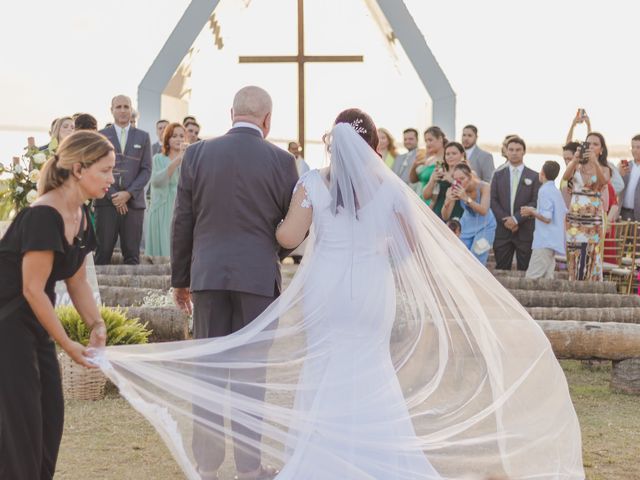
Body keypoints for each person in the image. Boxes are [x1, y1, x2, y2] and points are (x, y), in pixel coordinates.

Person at [96, 109, 585, 480]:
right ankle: (383, 458)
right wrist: (378, 252)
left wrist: (265, 226)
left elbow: (288, 238)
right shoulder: (392, 190)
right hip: (372, 291)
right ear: (373, 145)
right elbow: (409, 246)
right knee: (371, 367)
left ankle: (320, 459)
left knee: (324, 366)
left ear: (334, 144)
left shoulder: (313, 183)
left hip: (327, 289)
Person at [171, 86, 298, 480]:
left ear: (231, 113)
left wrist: (181, 278)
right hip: (258, 281)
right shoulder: (283, 161)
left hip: (207, 277)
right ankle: (249, 468)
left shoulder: (197, 153)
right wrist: (265, 260)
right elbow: (288, 230)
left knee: (208, 373)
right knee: (251, 375)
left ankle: (207, 467)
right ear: (268, 119)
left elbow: (183, 220)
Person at [0, 131, 113, 479]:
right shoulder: (43, 215)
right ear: (78, 169)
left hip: (32, 323)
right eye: (105, 170)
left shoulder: (81, 216)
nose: (111, 179)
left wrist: (96, 325)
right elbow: (33, 289)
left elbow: (76, 280)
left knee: (51, 416)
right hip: (7, 325)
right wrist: (67, 344)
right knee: (22, 426)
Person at [95, 95, 152, 265]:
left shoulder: (143, 136)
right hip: (106, 203)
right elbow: (96, 169)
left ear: (131, 109)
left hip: (133, 205)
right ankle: (96, 292)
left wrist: (128, 194)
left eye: (126, 107)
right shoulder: (101, 136)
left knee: (133, 256)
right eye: (118, 107)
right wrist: (114, 196)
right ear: (111, 110)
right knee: (102, 254)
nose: (122, 110)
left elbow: (146, 170)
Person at [562, 132, 610, 281]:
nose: (591, 146)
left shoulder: (604, 168)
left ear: (601, 149)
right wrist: (575, 159)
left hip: (593, 217)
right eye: (588, 143)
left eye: (596, 144)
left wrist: (595, 162)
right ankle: (574, 281)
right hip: (575, 216)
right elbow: (565, 177)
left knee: (591, 252)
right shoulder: (576, 165)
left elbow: (603, 183)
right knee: (575, 251)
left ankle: (590, 284)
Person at [490, 136, 541, 271]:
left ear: (524, 152)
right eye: (511, 149)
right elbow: (493, 200)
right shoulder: (497, 175)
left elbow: (535, 201)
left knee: (525, 269)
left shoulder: (534, 176)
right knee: (501, 269)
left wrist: (516, 219)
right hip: (502, 230)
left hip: (525, 230)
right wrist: (506, 220)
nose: (514, 152)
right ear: (506, 151)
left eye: (518, 150)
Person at [145, 123, 187, 257]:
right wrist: (177, 160)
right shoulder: (158, 159)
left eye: (181, 136)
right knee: (163, 249)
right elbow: (156, 181)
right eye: (174, 136)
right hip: (162, 207)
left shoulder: (189, 160)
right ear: (167, 139)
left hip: (181, 206)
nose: (179, 139)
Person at [521, 161, 567, 279]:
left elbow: (547, 218)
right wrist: (534, 210)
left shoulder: (544, 190)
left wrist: (532, 212)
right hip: (553, 240)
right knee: (547, 277)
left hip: (545, 240)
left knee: (532, 277)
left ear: (542, 173)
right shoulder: (555, 191)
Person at [443, 163, 496, 265]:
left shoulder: (484, 186)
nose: (458, 182)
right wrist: (447, 202)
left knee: (477, 258)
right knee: (460, 254)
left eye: (462, 178)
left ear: (470, 177)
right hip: (466, 225)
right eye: (455, 179)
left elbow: (484, 211)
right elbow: (445, 216)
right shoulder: (454, 188)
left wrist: (466, 198)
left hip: (486, 226)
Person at [425, 141, 466, 219]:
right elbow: (426, 196)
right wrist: (432, 180)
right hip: (437, 214)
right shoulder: (439, 171)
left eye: (454, 153)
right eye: (447, 154)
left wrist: (450, 179)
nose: (450, 156)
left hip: (457, 215)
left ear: (462, 155)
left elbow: (467, 193)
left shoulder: (467, 173)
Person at [409, 126, 446, 203]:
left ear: (440, 139)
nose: (428, 144)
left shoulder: (446, 160)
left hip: (432, 204)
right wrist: (414, 165)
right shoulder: (429, 159)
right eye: (426, 141)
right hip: (421, 201)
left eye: (430, 140)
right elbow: (413, 180)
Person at [619, 134, 640, 221]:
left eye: (638, 147)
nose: (634, 150)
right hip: (622, 213)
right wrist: (620, 175)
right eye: (633, 147)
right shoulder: (626, 166)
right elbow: (617, 189)